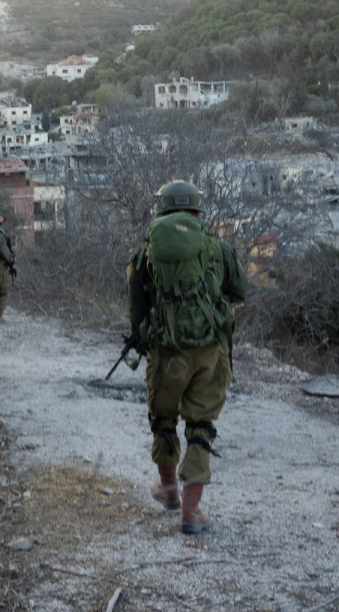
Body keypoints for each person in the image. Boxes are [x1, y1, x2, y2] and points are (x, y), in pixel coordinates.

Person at [126, 180, 247, 533]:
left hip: (166, 353)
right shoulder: (217, 248)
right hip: (210, 354)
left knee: (163, 420)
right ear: (197, 213)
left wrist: (142, 335)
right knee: (200, 428)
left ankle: (167, 489)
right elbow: (239, 291)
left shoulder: (145, 253)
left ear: (160, 212)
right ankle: (191, 513)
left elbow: (137, 304)